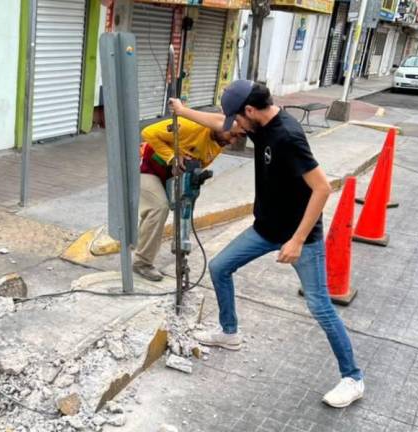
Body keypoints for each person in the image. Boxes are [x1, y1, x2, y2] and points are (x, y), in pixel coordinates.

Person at [169, 80, 364, 408]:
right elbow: (220, 122)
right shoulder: (261, 123)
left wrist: (298, 241)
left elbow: (322, 188)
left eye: (238, 120)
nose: (236, 129)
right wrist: (183, 111)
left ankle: (353, 378)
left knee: (320, 306)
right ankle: (229, 332)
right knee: (219, 267)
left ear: (249, 110)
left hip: (299, 237)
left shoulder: (287, 136)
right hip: (265, 230)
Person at [133, 117, 245, 281]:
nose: (232, 141)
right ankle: (142, 263)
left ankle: (142, 248)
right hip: (145, 165)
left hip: (167, 176)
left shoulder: (215, 147)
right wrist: (173, 156)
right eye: (233, 135)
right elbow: (147, 132)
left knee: (167, 211)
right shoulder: (190, 126)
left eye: (238, 138)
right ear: (221, 124)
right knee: (159, 208)